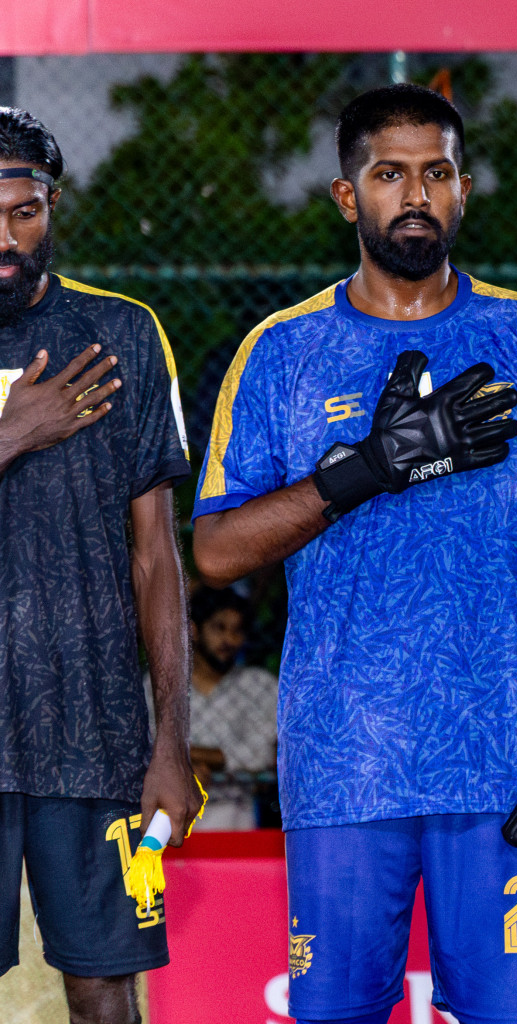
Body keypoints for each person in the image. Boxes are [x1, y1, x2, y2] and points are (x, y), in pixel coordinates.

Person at [190, 84, 517, 1024]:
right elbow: (217, 550)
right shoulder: (282, 352)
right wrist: (369, 469)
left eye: (437, 173)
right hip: (347, 763)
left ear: (465, 189)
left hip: (506, 762)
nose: (416, 194)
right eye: (390, 174)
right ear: (349, 197)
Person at [0, 107, 201, 1024]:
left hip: (94, 735)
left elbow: (157, 559)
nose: (7, 237)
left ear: (51, 206)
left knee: (104, 996)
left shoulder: (120, 332)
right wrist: (12, 433)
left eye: (25, 211)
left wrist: (169, 742)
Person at [149, 587, 279, 830]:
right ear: (194, 630)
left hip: (240, 825)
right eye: (219, 628)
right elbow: (143, 746)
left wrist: (176, 757)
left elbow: (259, 755)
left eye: (237, 631)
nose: (229, 640)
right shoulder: (159, 687)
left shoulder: (259, 685)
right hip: (166, 824)